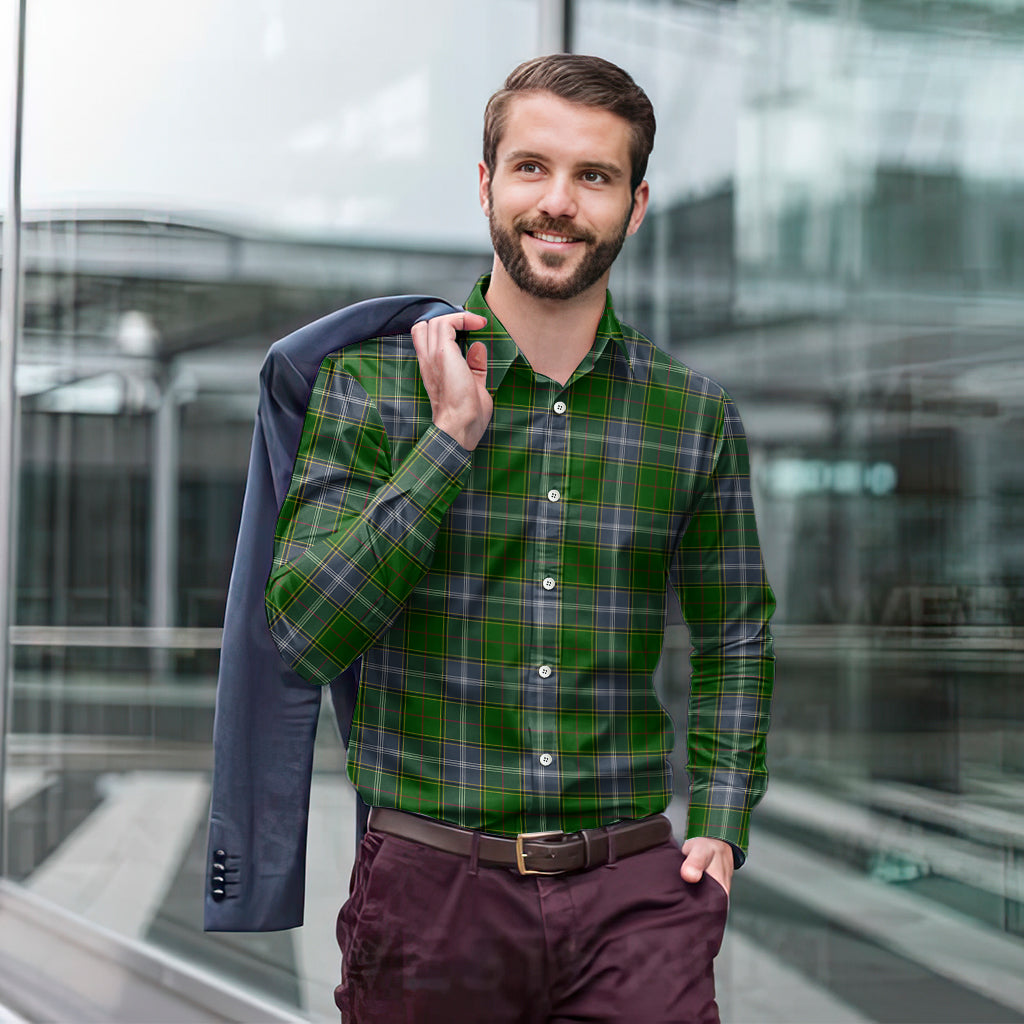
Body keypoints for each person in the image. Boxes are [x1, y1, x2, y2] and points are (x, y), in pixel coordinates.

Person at [265, 53, 775, 1024]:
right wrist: (449, 441)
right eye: (533, 167)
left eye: (595, 176)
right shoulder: (371, 390)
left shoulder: (690, 416)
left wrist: (718, 818)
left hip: (634, 896)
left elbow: (735, 633)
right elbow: (302, 633)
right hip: (432, 895)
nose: (559, 202)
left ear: (636, 203)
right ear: (486, 182)